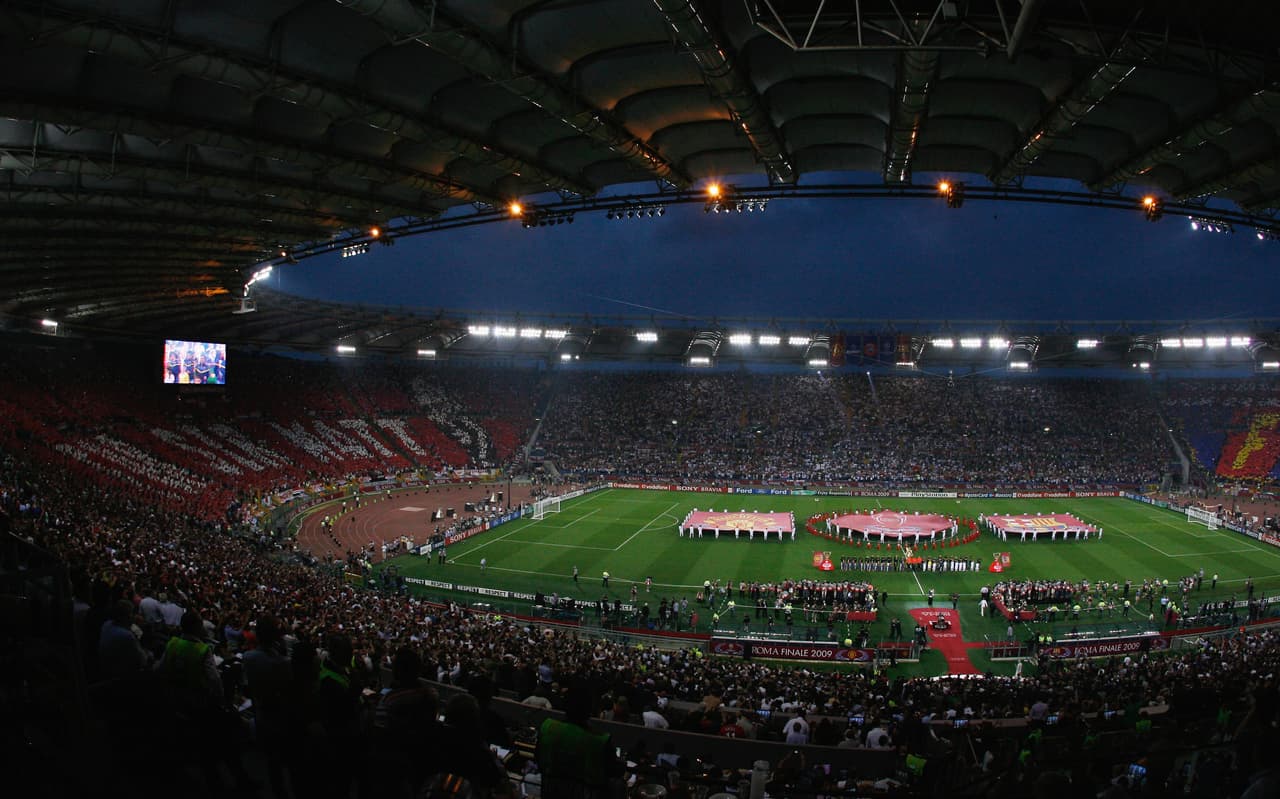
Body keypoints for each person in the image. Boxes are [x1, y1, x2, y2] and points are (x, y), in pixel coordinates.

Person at [537, 679, 621, 799]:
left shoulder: (547, 727)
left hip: (550, 791)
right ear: (589, 709)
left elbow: (539, 759)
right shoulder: (600, 740)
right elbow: (612, 772)